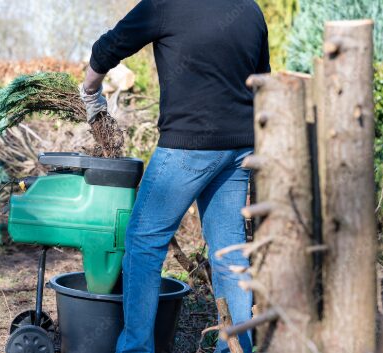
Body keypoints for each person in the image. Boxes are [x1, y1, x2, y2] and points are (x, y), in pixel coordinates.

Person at [80, 1, 270, 352]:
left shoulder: (166, 4)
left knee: (143, 244)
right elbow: (263, 80)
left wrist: (89, 90)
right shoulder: (250, 9)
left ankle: (136, 348)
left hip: (189, 145)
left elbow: (111, 45)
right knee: (229, 253)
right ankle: (236, 348)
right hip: (240, 146)